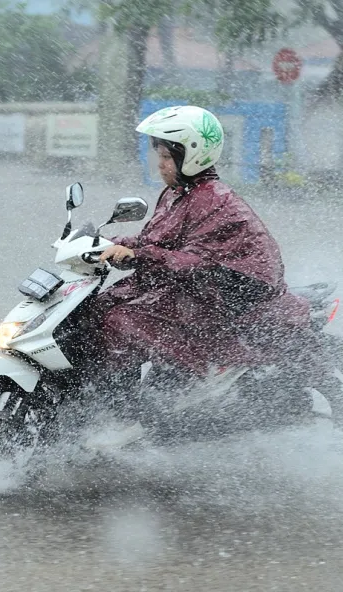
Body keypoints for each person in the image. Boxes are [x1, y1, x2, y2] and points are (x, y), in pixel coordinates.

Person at [87, 105, 311, 448]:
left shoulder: (215, 200)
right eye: (157, 154)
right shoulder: (177, 193)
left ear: (191, 155)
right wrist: (107, 244)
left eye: (165, 156)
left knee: (123, 318)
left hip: (230, 295)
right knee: (100, 306)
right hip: (196, 285)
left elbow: (195, 262)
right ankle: (111, 398)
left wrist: (139, 254)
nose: (159, 164)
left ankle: (146, 405)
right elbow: (154, 242)